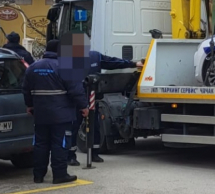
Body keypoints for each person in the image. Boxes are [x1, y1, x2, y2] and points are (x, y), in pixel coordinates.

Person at [62, 33, 142, 165]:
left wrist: (133, 63)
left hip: (93, 98)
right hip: (76, 100)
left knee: (95, 126)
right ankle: (70, 156)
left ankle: (94, 153)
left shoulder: (95, 56)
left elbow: (112, 62)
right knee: (73, 127)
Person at [22, 39, 87, 184]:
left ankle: (38, 175)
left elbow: (26, 89)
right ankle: (60, 174)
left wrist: (29, 105)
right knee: (60, 144)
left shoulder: (33, 67)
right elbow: (76, 90)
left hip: (40, 114)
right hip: (61, 115)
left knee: (40, 144)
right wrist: (84, 106)